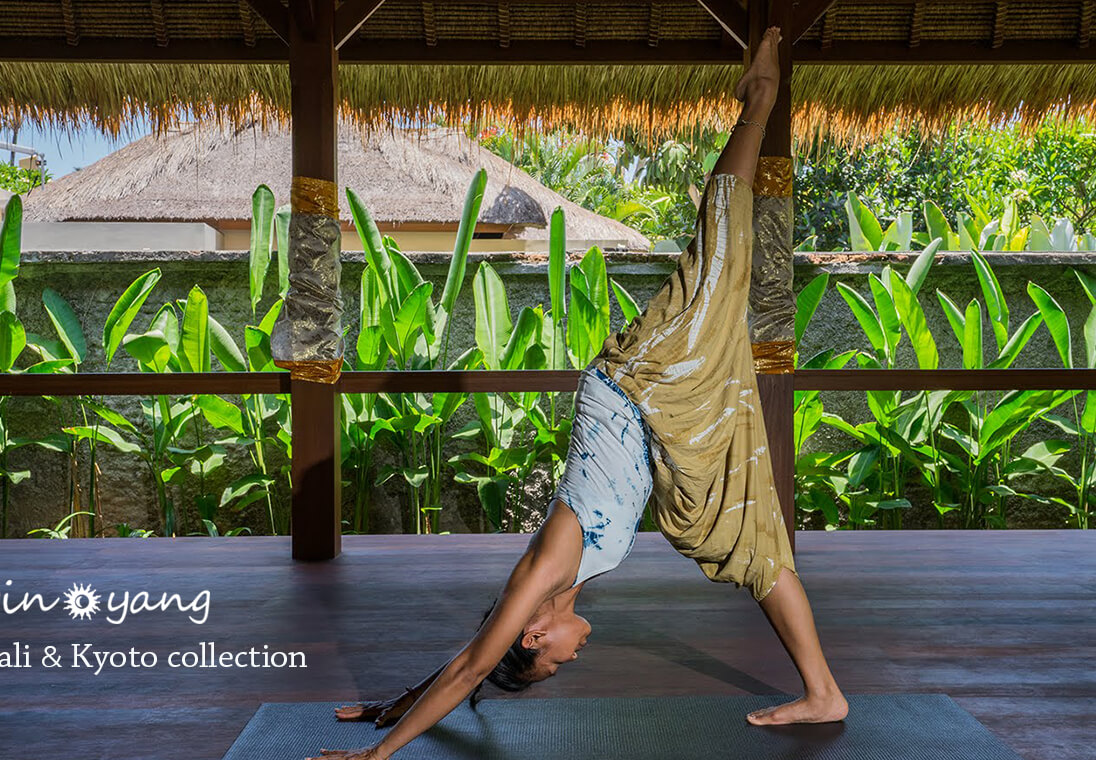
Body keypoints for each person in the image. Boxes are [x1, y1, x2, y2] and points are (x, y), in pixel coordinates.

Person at [313, 26, 847, 760]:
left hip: (640, 385)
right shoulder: (554, 595)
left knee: (721, 257)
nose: (573, 657)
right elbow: (473, 662)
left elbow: (474, 663)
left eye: (557, 657)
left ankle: (758, 100)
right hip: (660, 428)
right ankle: (823, 691)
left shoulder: (548, 568)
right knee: (732, 536)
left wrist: (379, 758)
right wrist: (398, 702)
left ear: (535, 630)